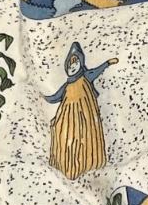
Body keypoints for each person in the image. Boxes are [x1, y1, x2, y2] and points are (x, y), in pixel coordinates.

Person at [45, 42, 117, 179]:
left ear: (81, 62)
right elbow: (55, 97)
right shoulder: (67, 85)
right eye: (70, 65)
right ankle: (68, 165)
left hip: (85, 115)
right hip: (68, 117)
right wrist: (40, 97)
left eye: (75, 63)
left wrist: (108, 63)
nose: (73, 67)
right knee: (67, 137)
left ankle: (87, 163)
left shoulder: (85, 76)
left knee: (85, 137)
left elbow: (97, 70)